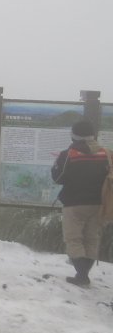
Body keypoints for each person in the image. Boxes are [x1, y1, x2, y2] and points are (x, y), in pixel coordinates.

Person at [51, 120, 109, 287]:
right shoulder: (106, 154)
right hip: (99, 203)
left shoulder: (69, 154)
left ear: (74, 135)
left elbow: (58, 177)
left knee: (73, 238)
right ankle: (84, 274)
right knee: (92, 238)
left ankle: (81, 275)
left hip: (74, 203)